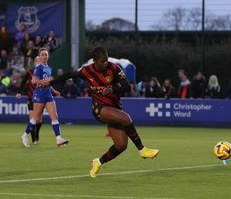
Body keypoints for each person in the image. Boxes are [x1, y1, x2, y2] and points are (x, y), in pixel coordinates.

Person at [41, 46, 159, 178]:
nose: (105, 63)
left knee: (121, 145)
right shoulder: (87, 71)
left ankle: (98, 162)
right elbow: (69, 75)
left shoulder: (114, 68)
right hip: (99, 108)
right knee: (126, 118)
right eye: (102, 61)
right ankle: (142, 150)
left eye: (106, 60)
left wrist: (113, 90)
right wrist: (50, 82)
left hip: (114, 107)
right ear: (95, 61)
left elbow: (127, 87)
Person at [20, 49, 66, 147]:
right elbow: (33, 80)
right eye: (42, 55)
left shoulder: (49, 68)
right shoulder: (39, 67)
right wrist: (44, 82)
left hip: (48, 94)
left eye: (46, 54)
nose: (45, 56)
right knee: (36, 118)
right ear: (39, 57)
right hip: (39, 94)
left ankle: (58, 139)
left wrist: (54, 91)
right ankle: (25, 135)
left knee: (54, 116)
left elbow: (48, 82)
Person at [17, 57, 43, 145]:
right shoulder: (30, 72)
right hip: (31, 98)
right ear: (34, 62)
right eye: (36, 60)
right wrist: (19, 92)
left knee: (39, 120)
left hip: (41, 99)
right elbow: (23, 82)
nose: (38, 62)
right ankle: (33, 139)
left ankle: (37, 133)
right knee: (32, 119)